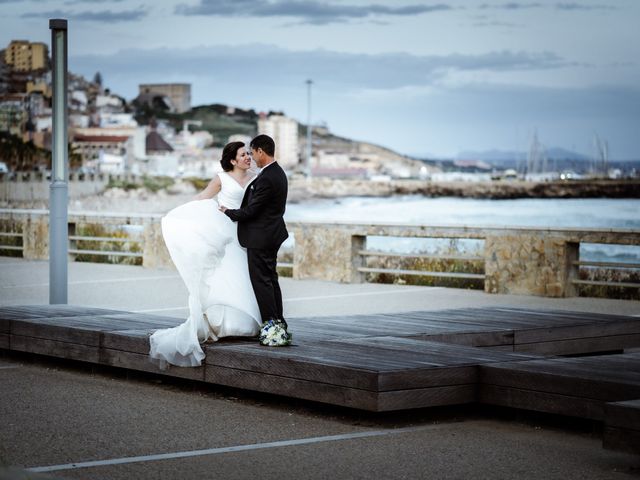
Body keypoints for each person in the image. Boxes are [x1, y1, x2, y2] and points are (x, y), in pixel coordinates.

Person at [149, 141, 261, 368]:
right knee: (224, 276)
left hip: (246, 234)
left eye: (249, 153)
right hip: (225, 233)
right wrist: (180, 215)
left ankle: (246, 324)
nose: (248, 157)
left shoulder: (255, 177)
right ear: (232, 160)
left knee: (244, 277)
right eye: (243, 154)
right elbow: (203, 198)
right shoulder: (222, 178)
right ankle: (223, 325)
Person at [219, 134, 290, 334]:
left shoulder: (267, 177)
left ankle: (271, 327)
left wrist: (227, 212)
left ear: (261, 151)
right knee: (270, 280)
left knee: (262, 283)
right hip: (270, 234)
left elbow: (252, 211)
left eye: (252, 152)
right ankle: (278, 323)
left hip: (261, 238)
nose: (252, 157)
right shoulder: (276, 172)